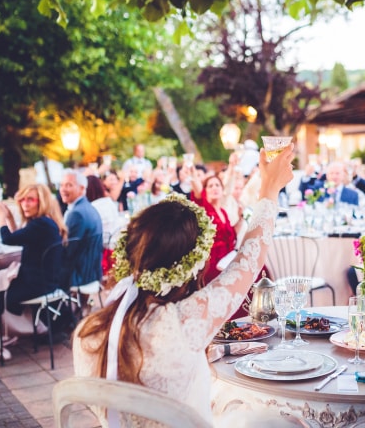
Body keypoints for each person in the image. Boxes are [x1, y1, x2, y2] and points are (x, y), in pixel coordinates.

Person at [72, 144, 295, 426]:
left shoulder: (87, 331)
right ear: (192, 264)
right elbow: (249, 260)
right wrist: (269, 191)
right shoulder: (183, 321)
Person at [0, 184, 67, 363]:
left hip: (36, 286)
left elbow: (7, 239)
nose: (25, 204)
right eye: (22, 200)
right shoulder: (45, 222)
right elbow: (20, 238)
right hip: (46, 282)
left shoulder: (39, 224)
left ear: (42, 201)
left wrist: (0, 218)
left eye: (30, 200)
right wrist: (8, 218)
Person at [59, 169, 104, 288]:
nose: (63, 189)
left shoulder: (77, 214)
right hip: (93, 272)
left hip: (79, 276)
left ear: (82, 188)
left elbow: (67, 251)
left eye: (69, 185)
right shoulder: (89, 208)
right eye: (61, 185)